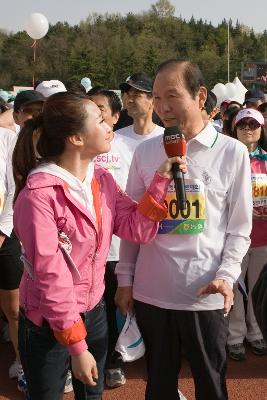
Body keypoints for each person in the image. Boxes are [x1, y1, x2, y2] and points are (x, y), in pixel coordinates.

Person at [12, 91, 186, 400]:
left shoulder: (101, 180)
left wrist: (160, 182)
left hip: (93, 312)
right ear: (76, 138)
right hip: (47, 323)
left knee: (92, 396)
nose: (109, 128)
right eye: (100, 121)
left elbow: (136, 228)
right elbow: (51, 278)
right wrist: (77, 346)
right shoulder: (38, 196)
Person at [115, 59, 252, 400]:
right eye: (157, 98)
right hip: (152, 292)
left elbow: (238, 228)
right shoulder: (146, 152)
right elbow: (134, 222)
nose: (162, 107)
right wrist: (125, 279)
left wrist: (227, 274)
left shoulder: (232, 152)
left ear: (200, 95)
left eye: (172, 96)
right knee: (159, 383)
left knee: (210, 382)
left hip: (204, 292)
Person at [89, 87, 136, 388]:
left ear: (115, 116)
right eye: (90, 107)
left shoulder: (127, 147)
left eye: (101, 108)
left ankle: (115, 361)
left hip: (118, 247)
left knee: (115, 306)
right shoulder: (81, 146)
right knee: (90, 309)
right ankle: (91, 361)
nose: (95, 112)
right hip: (86, 251)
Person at [0, 89, 45, 394]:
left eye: (36, 111)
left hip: (8, 235)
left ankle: (22, 360)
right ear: (15, 115)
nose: (31, 118)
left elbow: (13, 190)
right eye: (26, 111)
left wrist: (2, 233)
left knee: (14, 307)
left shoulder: (10, 143)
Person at [227, 108, 267, 360]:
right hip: (235, 237)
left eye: (254, 124)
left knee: (257, 290)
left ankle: (257, 333)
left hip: (263, 237)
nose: (248, 129)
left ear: (262, 130)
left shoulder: (266, 160)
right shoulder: (228, 159)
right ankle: (234, 336)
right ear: (234, 129)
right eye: (243, 125)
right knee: (234, 287)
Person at [116, 72, 164, 148]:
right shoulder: (116, 138)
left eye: (136, 96)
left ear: (153, 100)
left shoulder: (165, 139)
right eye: (129, 96)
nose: (129, 100)